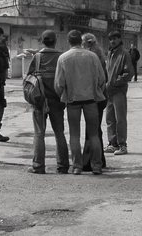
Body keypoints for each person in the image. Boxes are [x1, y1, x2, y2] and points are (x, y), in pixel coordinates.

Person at [55, 30, 107, 175]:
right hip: (91, 100)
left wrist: (63, 96)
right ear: (81, 41)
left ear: (68, 41)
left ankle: (77, 166)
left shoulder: (63, 58)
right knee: (94, 135)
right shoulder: (93, 56)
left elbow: (59, 84)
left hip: (72, 101)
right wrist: (96, 93)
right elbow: (102, 80)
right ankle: (96, 166)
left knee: (74, 135)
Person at [26, 30, 69, 174]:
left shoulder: (37, 57)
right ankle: (63, 166)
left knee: (39, 133)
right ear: (55, 41)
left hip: (39, 101)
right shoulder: (61, 57)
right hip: (58, 101)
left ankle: (38, 166)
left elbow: (29, 79)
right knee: (59, 133)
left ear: (42, 41)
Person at [104, 30, 134, 156]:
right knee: (110, 119)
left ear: (119, 39)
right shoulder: (110, 53)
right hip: (109, 92)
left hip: (119, 91)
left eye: (115, 38)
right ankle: (112, 143)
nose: (113, 41)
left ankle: (122, 145)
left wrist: (116, 82)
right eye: (111, 39)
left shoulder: (124, 54)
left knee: (120, 118)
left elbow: (129, 73)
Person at [81, 33, 108, 171]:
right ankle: (99, 160)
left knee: (92, 130)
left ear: (86, 43)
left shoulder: (91, 57)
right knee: (96, 129)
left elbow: (99, 80)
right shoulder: (99, 55)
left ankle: (90, 162)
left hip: (94, 97)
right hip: (101, 96)